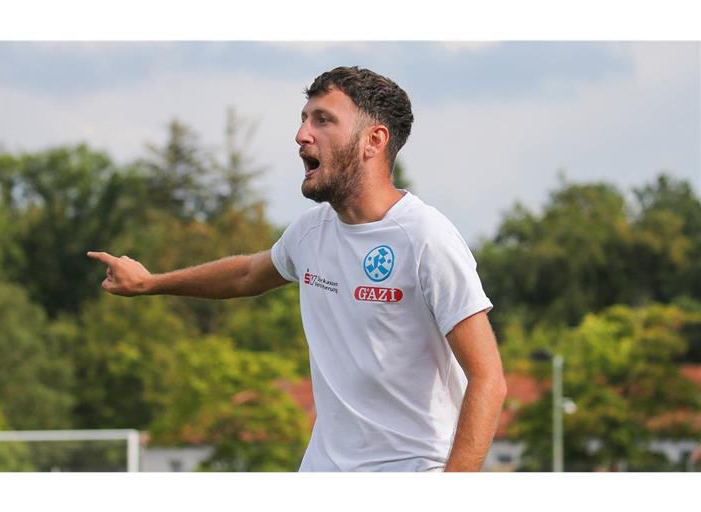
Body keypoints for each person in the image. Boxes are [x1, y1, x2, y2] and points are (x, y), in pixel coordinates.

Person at [87, 66, 507, 472]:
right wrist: (150, 283)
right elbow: (246, 275)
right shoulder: (311, 232)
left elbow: (488, 379)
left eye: (322, 120)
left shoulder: (426, 239)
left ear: (373, 140)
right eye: (304, 119)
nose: (301, 135)